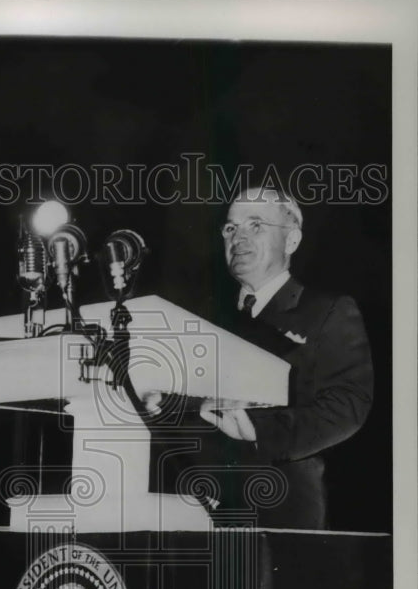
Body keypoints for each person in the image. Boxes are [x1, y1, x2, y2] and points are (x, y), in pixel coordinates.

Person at [149, 187, 374, 529]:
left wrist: (260, 432)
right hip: (192, 503)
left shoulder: (327, 311)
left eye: (255, 225)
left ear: (292, 240)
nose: (238, 237)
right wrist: (161, 402)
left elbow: (348, 403)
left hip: (279, 503)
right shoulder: (200, 320)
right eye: (230, 228)